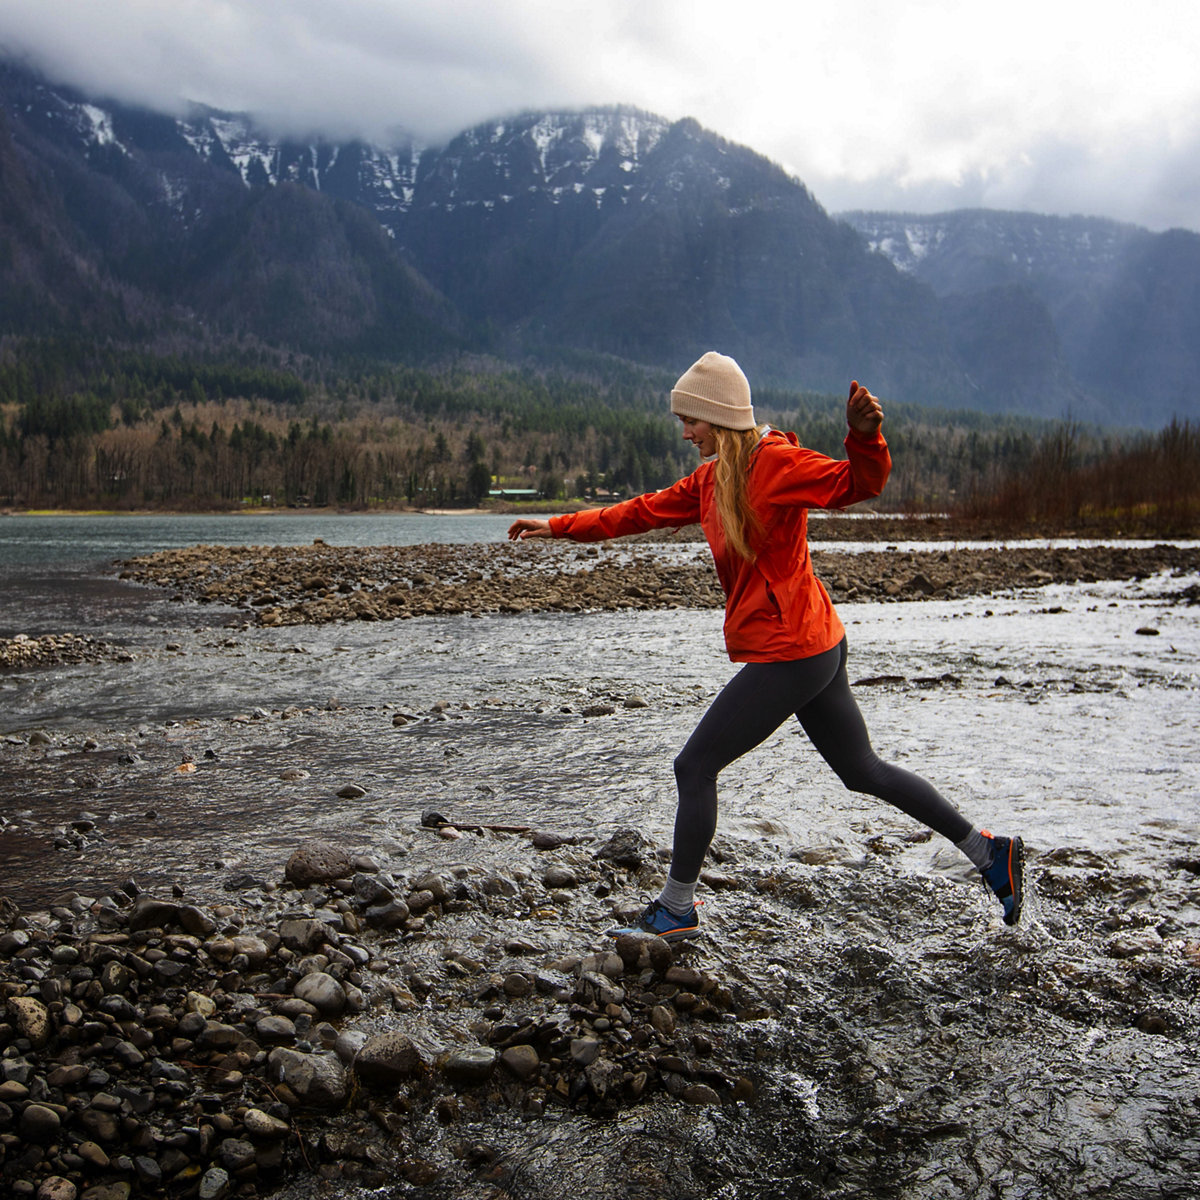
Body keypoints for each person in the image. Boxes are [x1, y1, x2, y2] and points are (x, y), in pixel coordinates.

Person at [508, 351, 1024, 940]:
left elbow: (856, 484)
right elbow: (641, 512)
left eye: (692, 420)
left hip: (795, 651)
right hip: (815, 641)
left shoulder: (774, 462)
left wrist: (865, 436)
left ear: (720, 417)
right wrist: (558, 525)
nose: (685, 431)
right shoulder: (712, 479)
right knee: (861, 769)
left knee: (695, 765)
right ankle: (986, 852)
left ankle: (676, 909)